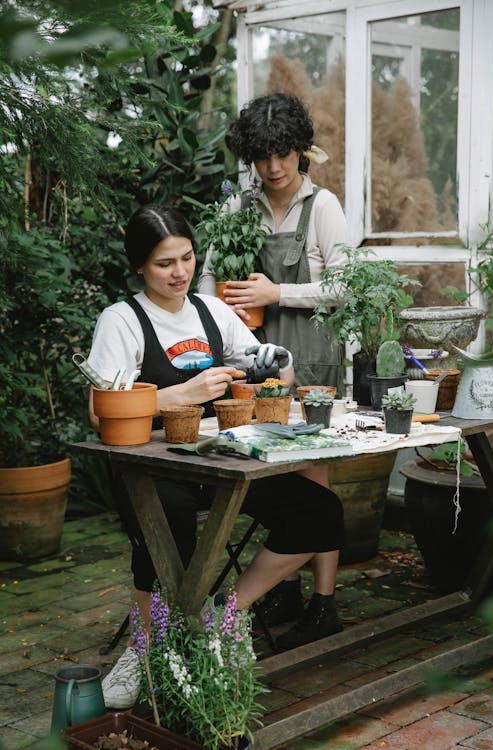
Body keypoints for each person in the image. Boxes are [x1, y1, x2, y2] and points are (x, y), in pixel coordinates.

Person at [87, 204, 345, 710]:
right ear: (140, 266)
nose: (180, 272)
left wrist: (271, 365)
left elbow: (276, 376)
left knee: (321, 513)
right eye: (165, 264)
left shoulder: (212, 311)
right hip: (150, 465)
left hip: (224, 460)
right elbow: (101, 411)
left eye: (186, 258)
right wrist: (182, 393)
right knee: (166, 518)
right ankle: (143, 649)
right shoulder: (122, 320)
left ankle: (220, 619)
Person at [198, 92, 348, 643]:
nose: (274, 168)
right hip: (253, 359)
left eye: (284, 153)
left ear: (301, 150)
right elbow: (209, 281)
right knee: (267, 472)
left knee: (314, 473)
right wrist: (223, 320)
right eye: (262, 157)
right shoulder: (239, 209)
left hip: (310, 357)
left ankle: (323, 602)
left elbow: (345, 286)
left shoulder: (322, 207)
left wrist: (277, 291)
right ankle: (282, 581)